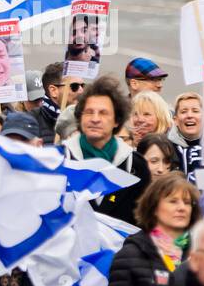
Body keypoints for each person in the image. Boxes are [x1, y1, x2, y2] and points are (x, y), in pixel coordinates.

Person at [63, 75, 151, 223]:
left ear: (117, 121)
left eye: (103, 113)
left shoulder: (136, 166)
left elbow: (145, 222)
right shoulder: (59, 160)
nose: (95, 119)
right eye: (89, 112)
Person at [168, 90, 204, 173]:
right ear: (175, 120)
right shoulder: (166, 148)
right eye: (183, 112)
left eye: (195, 111)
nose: (189, 115)